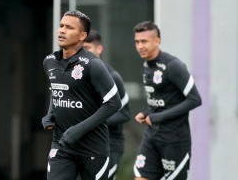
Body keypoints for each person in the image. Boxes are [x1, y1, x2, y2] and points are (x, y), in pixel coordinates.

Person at [42, 10, 122, 180]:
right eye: (61, 26)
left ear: (82, 35)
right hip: (61, 146)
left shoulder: (93, 65)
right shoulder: (49, 62)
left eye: (69, 27)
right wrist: (50, 114)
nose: (62, 30)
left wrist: (78, 131)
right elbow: (57, 90)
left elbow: (114, 103)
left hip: (93, 150)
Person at [132, 21, 202, 180]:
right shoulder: (147, 65)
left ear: (157, 41)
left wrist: (158, 117)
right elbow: (163, 101)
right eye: (137, 42)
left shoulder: (173, 65)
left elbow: (195, 99)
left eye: (144, 41)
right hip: (152, 135)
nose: (140, 46)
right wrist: (147, 113)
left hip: (174, 139)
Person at [83, 30, 131, 180]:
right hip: (85, 145)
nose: (84, 53)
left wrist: (94, 120)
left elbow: (125, 113)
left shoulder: (112, 77)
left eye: (88, 48)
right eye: (81, 48)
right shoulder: (77, 75)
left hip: (110, 144)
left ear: (99, 49)